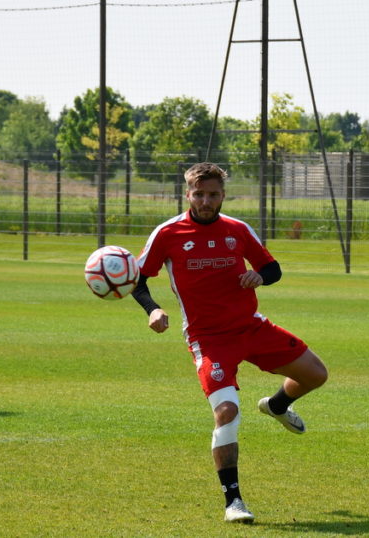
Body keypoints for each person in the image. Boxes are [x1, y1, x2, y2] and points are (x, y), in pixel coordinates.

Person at [133, 162, 328, 523]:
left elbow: (273, 268)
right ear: (188, 193)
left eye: (213, 194)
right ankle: (233, 502)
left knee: (316, 374)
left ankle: (276, 405)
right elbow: (139, 280)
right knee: (227, 412)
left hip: (251, 328)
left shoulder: (237, 230)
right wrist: (153, 310)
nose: (206, 201)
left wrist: (259, 276)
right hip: (208, 340)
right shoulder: (168, 233)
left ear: (223, 195)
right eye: (199, 194)